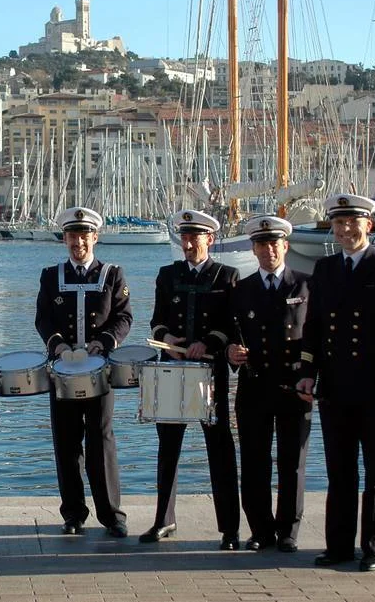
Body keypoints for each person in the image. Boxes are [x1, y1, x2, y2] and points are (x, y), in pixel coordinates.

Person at [297, 193, 375, 572]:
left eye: (352, 223)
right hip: (334, 385)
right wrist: (308, 374)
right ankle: (339, 546)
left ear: (368, 225)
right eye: (339, 223)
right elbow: (313, 327)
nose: (345, 230)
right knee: (340, 471)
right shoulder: (325, 268)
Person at [143, 209, 240, 549]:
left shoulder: (227, 276)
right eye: (184, 238)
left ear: (209, 239)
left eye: (194, 238)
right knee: (167, 448)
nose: (187, 244)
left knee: (220, 449)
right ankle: (163, 519)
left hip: (209, 372)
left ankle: (229, 528)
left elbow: (231, 325)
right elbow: (156, 321)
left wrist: (208, 343)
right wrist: (167, 338)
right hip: (172, 370)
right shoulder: (167, 275)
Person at [34, 206, 132, 538]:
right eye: (72, 236)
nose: (79, 243)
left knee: (101, 440)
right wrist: (58, 345)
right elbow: (43, 319)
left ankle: (111, 514)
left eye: (84, 236)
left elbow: (123, 317)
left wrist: (103, 343)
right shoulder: (51, 276)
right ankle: (73, 513)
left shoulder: (113, 274)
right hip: (62, 369)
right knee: (66, 441)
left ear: (95, 237)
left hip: (100, 370)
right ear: (64, 239)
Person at [226, 215, 311, 553]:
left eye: (274, 243)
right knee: (254, 461)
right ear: (253, 249)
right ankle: (260, 530)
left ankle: (288, 530)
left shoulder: (304, 286)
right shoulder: (241, 289)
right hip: (254, 385)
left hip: (293, 386)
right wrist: (231, 350)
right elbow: (228, 331)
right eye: (261, 244)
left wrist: (313, 377)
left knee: (292, 463)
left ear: (285, 246)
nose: (268, 250)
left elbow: (316, 336)